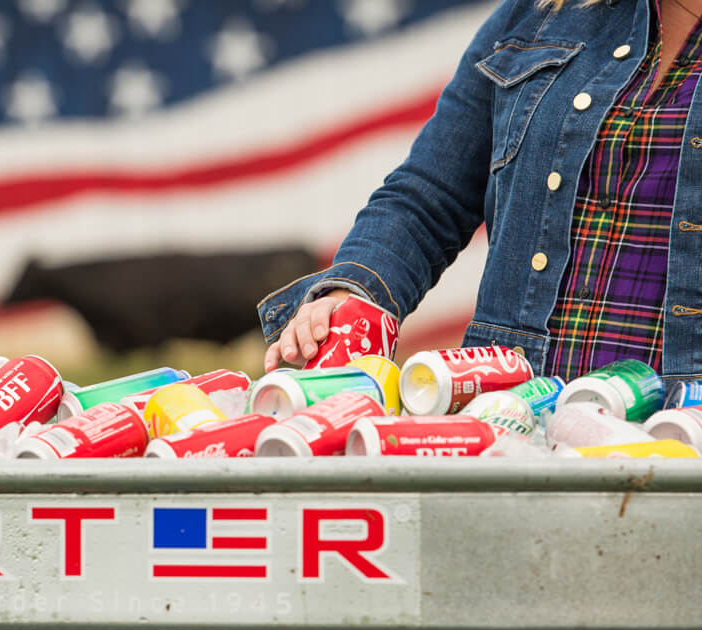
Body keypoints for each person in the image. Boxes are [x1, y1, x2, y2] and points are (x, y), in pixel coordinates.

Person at [259, 0, 701, 390]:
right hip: (507, 426)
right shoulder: (539, 15)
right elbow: (429, 197)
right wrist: (354, 292)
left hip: (678, 445)